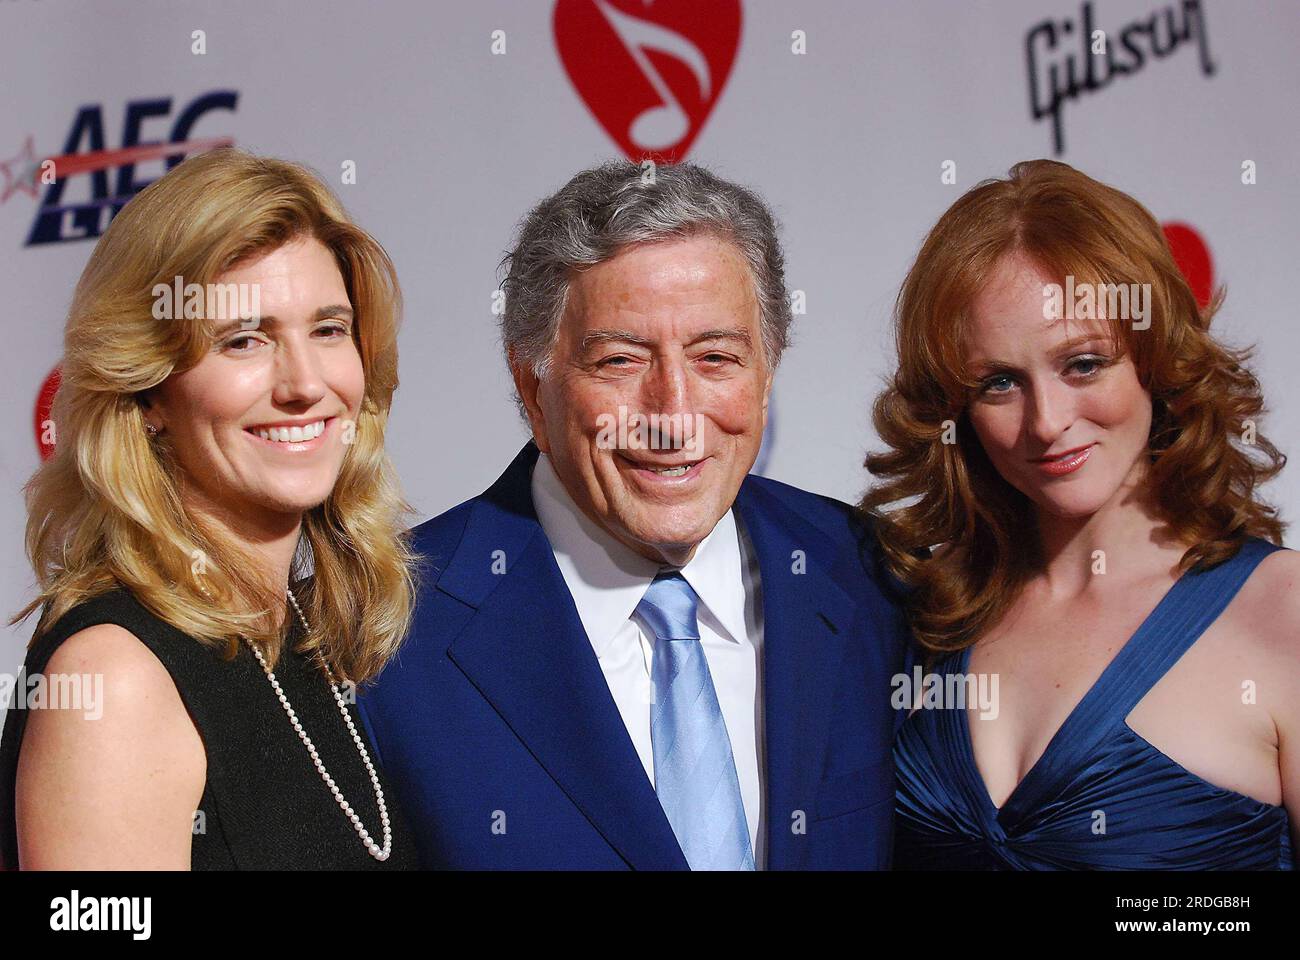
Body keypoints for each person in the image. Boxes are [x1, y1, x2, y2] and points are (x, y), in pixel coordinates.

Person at [358, 159, 912, 870]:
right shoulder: (382, 629)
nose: (674, 416)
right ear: (532, 385)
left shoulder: (873, 578)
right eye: (620, 361)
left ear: (767, 373)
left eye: (717, 358)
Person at [865, 159, 1298, 869]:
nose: (1048, 422)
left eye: (1084, 364)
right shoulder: (921, 616)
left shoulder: (1284, 614)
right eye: (1000, 382)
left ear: (1156, 357)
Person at [0, 147, 422, 870]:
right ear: (149, 394)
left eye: (328, 329)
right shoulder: (116, 678)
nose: (304, 384)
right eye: (244, 340)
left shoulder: (297, 636)